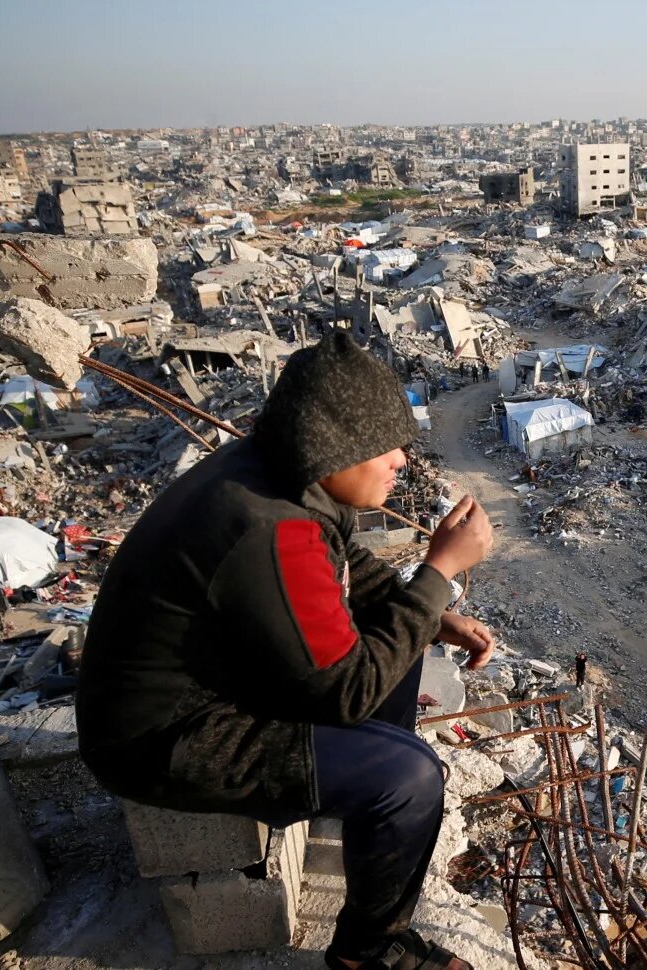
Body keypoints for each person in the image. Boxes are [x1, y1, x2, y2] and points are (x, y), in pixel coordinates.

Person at [77, 333, 495, 970]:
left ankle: (360, 785)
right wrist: (438, 573)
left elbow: (346, 564)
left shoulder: (275, 474)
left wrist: (434, 615)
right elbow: (347, 689)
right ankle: (368, 950)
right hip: (165, 740)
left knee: (399, 640)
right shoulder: (271, 528)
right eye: (383, 447)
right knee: (411, 780)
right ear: (332, 449)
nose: (400, 462)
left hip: (208, 685)